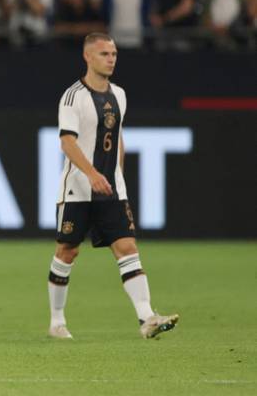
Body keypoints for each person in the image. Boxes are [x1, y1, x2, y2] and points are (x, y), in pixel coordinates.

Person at [47, 33, 179, 340]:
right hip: (77, 189)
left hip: (111, 190)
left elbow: (118, 137)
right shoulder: (72, 97)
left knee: (127, 247)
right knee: (67, 252)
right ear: (88, 57)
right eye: (105, 54)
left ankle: (147, 317)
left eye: (114, 53)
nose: (111, 59)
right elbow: (67, 141)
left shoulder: (119, 94)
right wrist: (92, 173)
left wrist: (116, 173)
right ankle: (56, 321)